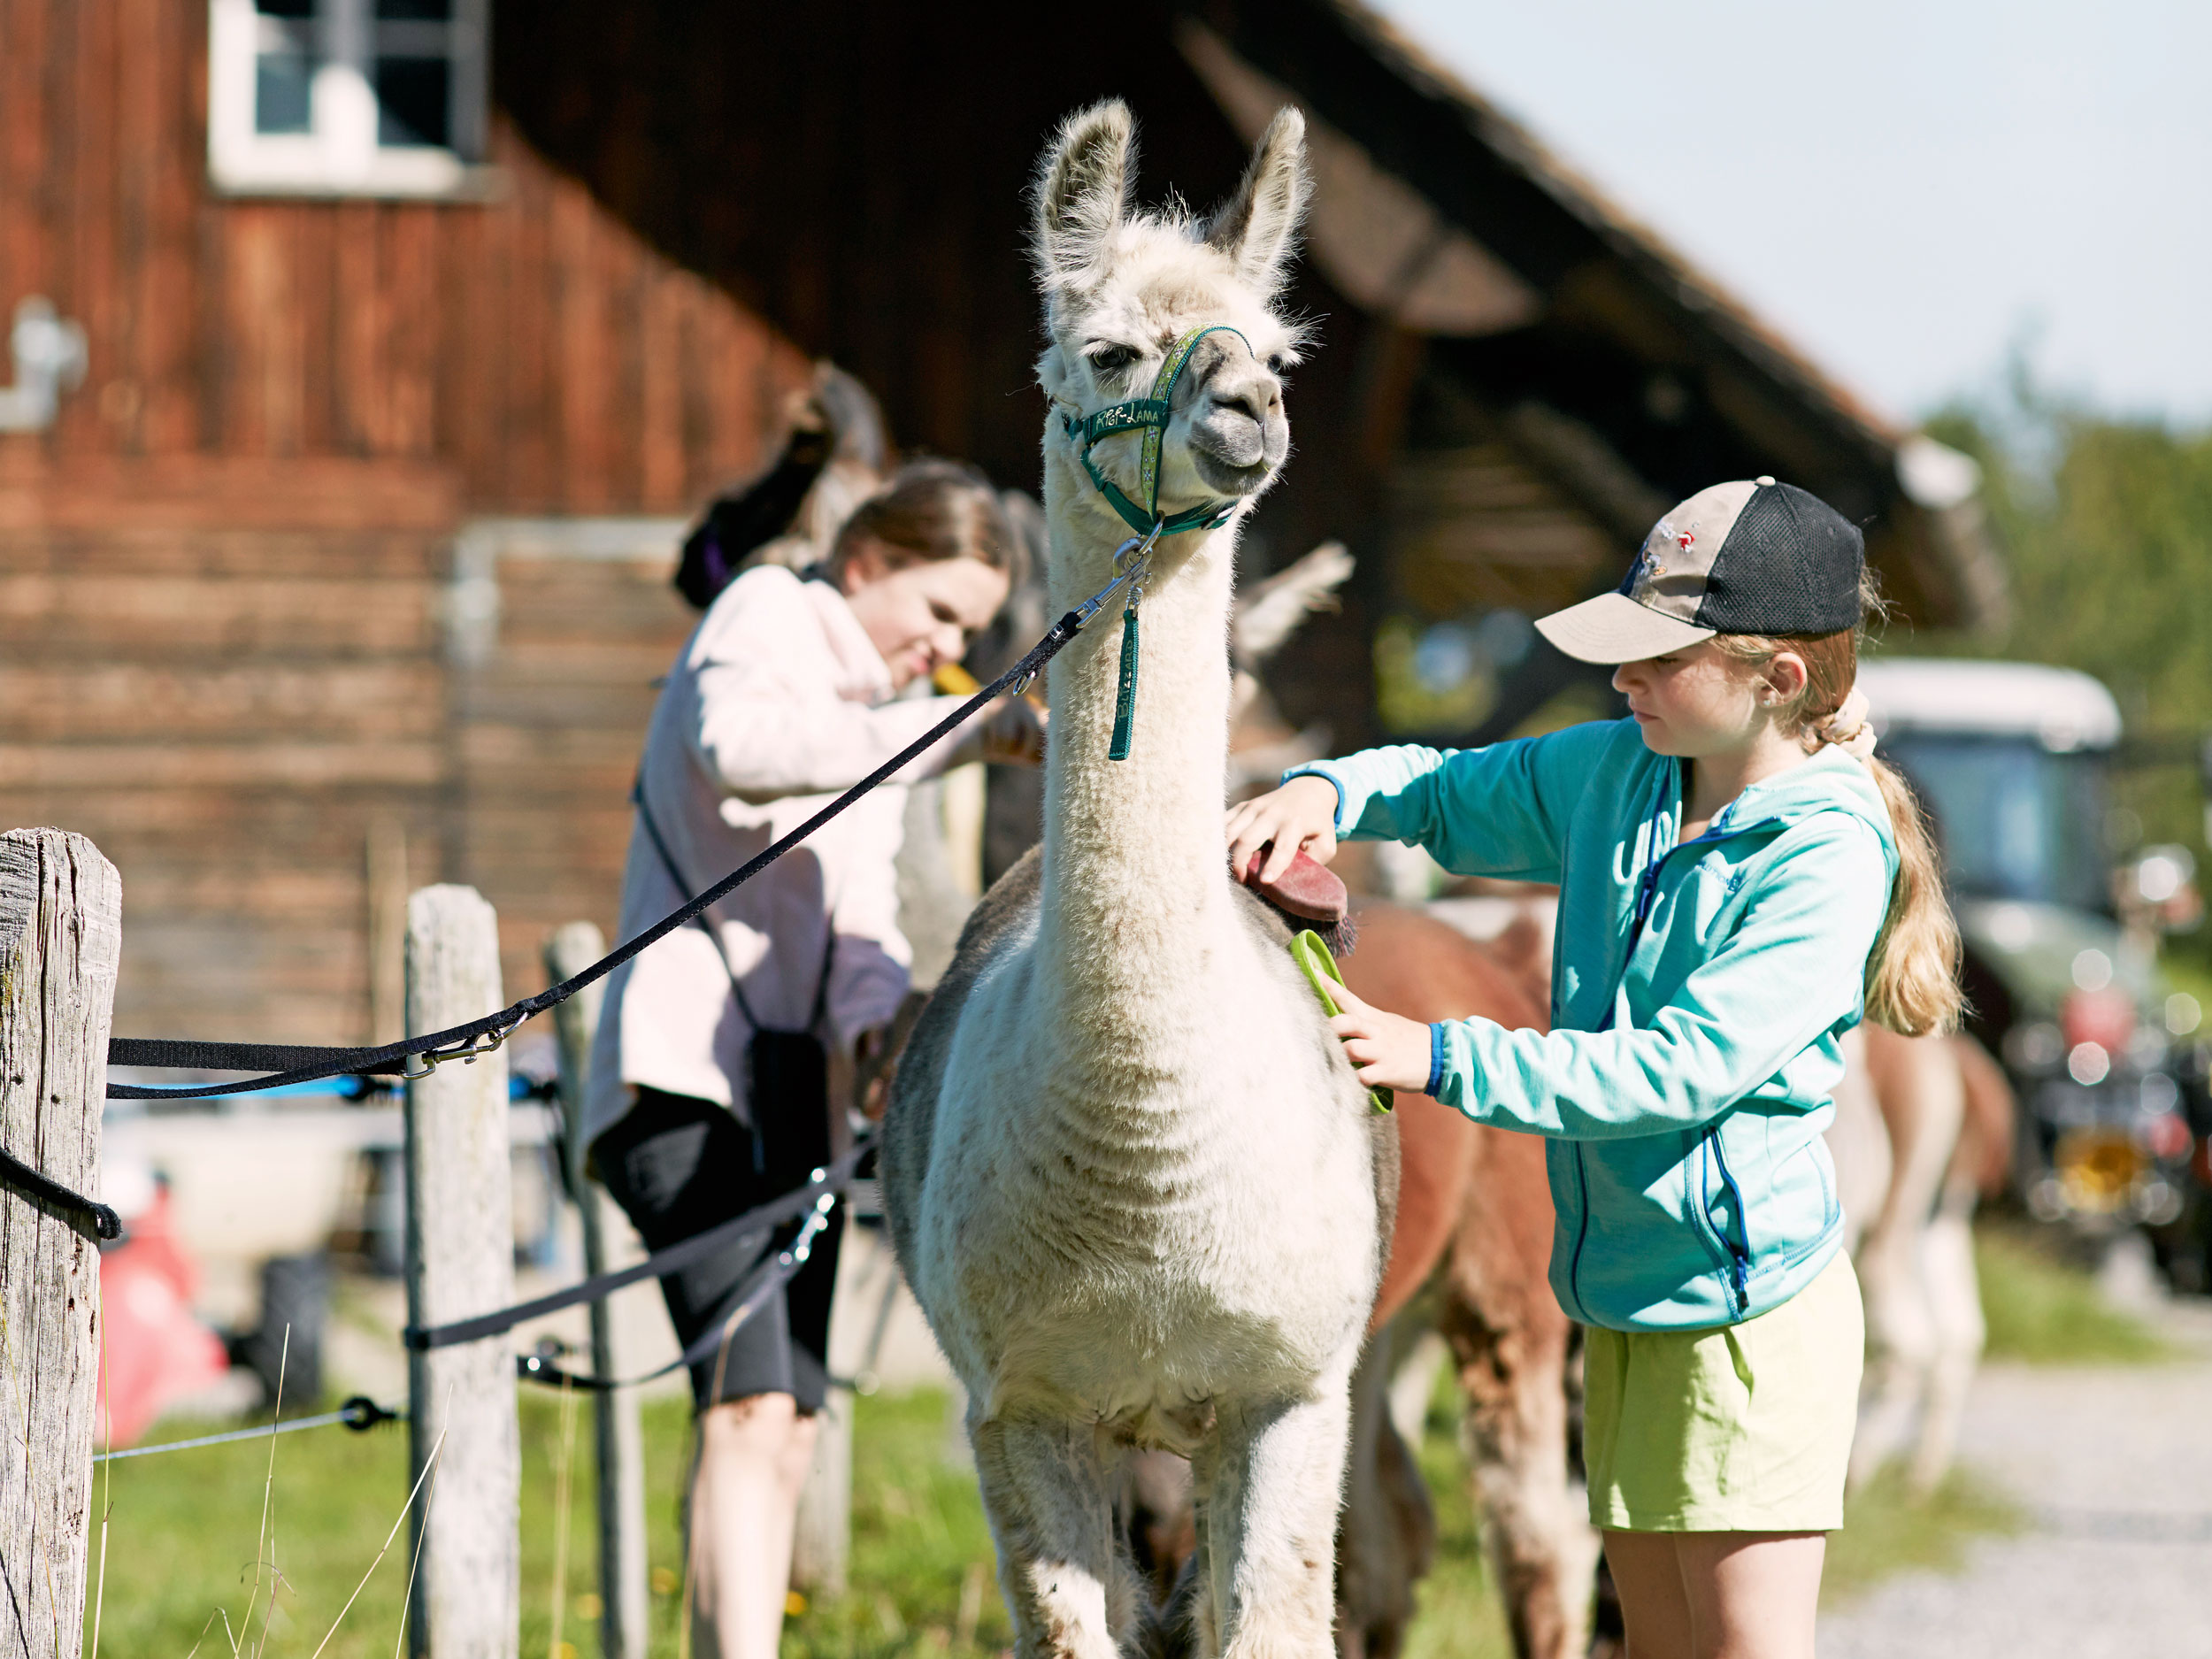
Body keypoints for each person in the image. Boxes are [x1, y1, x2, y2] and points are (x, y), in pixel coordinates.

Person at [1227, 479, 1960, 1659]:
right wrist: (1328, 791)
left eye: (1658, 658)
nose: (1623, 678)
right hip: (1620, 1303)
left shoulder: (1824, 859)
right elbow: (1442, 790)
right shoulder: (1617, 772)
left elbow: (1681, 1070)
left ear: (1778, 682)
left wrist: (1439, 1055)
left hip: (1745, 1325)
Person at [585, 457, 1041, 1659]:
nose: (943, 648)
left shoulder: (876, 728)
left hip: (799, 1091)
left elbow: (859, 927)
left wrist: (886, 1030)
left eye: (972, 634)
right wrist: (950, 727)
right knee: (746, 1409)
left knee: (783, 1419)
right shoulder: (769, 613)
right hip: (683, 1077)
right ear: (868, 562)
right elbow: (738, 746)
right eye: (939, 612)